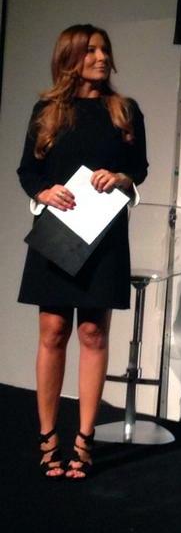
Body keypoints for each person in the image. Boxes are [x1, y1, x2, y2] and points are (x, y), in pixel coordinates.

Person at [17, 24, 148, 479]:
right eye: (91, 50)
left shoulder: (124, 110)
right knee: (53, 331)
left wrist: (121, 178)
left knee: (93, 333)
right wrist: (44, 192)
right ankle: (48, 437)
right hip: (58, 231)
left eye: (104, 49)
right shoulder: (47, 111)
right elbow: (28, 172)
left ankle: (84, 440)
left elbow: (139, 168)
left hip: (103, 235)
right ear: (70, 57)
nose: (101, 57)